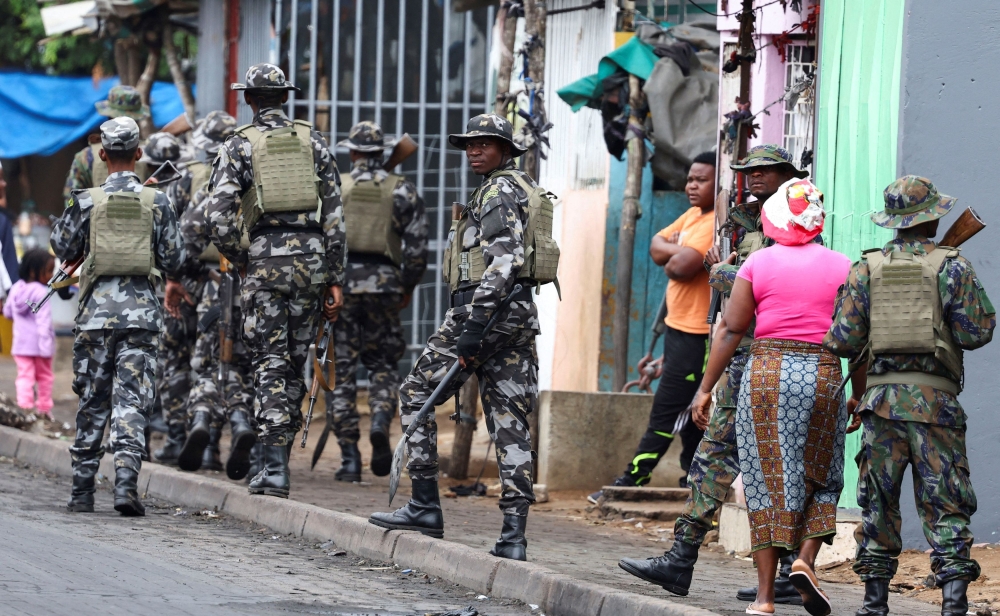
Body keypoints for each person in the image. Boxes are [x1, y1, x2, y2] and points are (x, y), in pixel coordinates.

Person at [618, 145, 810, 603]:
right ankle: (681, 559)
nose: (757, 178)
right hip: (741, 354)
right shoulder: (745, 218)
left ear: (787, 174)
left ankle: (785, 571)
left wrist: (720, 270)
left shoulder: (800, 216)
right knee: (714, 456)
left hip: (775, 353)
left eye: (767, 171)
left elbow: (761, 280)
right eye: (751, 171)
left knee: (776, 466)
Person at [369, 113, 559, 562]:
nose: (474, 150)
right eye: (469, 145)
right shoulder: (525, 186)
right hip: (517, 316)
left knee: (415, 392)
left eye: (484, 144)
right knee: (511, 421)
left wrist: (473, 327)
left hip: (486, 311)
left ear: (505, 149)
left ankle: (423, 505)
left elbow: (505, 260)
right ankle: (514, 535)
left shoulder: (497, 191)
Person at [823, 176, 995, 616]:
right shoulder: (951, 265)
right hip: (936, 404)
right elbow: (977, 333)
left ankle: (874, 604)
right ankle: (953, 604)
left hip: (880, 406)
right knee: (947, 500)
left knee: (877, 501)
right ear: (933, 216)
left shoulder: (866, 268)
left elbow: (841, 340)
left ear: (892, 224)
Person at [689, 178, 850, 616]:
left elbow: (731, 329)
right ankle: (805, 559)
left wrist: (705, 389)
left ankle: (763, 598)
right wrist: (860, 393)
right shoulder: (844, 266)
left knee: (766, 480)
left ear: (775, 218)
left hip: (766, 374)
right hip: (823, 373)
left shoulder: (756, 265)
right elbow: (860, 337)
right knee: (823, 472)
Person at [206, 63, 345, 498]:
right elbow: (336, 216)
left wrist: (243, 259)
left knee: (268, 360)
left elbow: (218, 216)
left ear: (249, 99)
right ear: (285, 97)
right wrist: (335, 276)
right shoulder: (315, 142)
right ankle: (278, 466)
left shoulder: (239, 146)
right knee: (296, 360)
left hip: (265, 261)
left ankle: (271, 469)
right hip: (313, 263)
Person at [52, 116, 185, 516]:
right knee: (131, 402)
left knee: (93, 401)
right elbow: (176, 258)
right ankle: (126, 485)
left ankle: (81, 492)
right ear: (140, 154)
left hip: (94, 317)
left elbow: (60, 243)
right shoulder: (157, 200)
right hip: (142, 316)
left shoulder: (87, 198)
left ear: (103, 154)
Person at [591, 151, 717, 505]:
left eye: (701, 180)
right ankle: (691, 479)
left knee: (668, 409)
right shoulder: (694, 214)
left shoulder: (712, 224)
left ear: (717, 183)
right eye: (690, 178)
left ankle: (633, 479)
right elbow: (655, 246)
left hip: (699, 335)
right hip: (678, 330)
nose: (691, 185)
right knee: (690, 413)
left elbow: (679, 267)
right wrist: (674, 252)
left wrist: (673, 252)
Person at [321, 120, 428, 481]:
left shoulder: (337, 188)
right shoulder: (403, 190)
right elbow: (416, 248)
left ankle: (350, 459)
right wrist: (406, 286)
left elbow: (323, 240)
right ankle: (380, 420)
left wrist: (325, 286)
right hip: (384, 286)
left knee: (342, 370)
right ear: (381, 153)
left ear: (352, 152)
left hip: (343, 286)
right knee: (383, 363)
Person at [63, 86, 150, 200]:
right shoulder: (151, 154)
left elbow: (71, 200)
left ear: (108, 116)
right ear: (137, 119)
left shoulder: (86, 157)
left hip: (96, 216)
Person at [3, 249, 56, 418]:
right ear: (34, 271)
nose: (51, 275)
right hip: (40, 346)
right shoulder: (41, 292)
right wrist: (46, 347)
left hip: (21, 345)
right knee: (44, 377)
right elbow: (44, 322)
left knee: (25, 377)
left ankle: (25, 407)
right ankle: (44, 409)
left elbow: (8, 312)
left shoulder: (16, 288)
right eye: (48, 270)